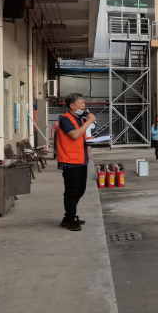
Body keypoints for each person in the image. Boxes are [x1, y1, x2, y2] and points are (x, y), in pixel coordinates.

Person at [56, 93, 96, 231]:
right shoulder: (65, 119)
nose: (84, 105)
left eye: (84, 103)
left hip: (82, 160)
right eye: (81, 103)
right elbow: (74, 135)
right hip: (70, 160)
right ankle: (71, 219)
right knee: (71, 192)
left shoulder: (79, 119)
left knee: (80, 190)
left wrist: (89, 139)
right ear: (72, 106)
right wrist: (89, 122)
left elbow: (79, 136)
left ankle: (68, 217)